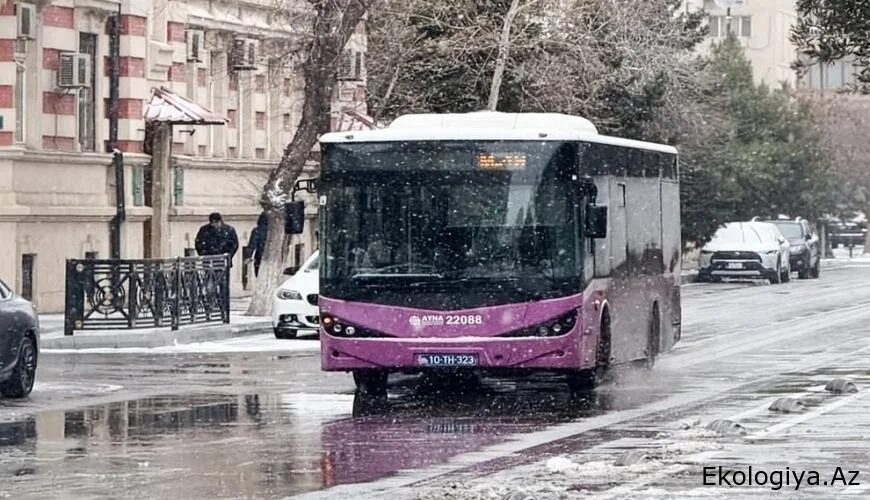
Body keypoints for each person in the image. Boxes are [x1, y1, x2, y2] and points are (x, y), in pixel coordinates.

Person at [244, 212, 269, 277]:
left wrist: (248, 256)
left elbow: (252, 244)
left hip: (259, 257)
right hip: (271, 256)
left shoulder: (256, 231)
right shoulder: (272, 231)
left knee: (260, 275)